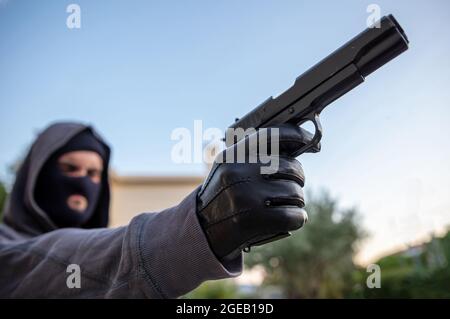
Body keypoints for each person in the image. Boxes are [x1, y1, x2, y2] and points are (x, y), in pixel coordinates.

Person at [0, 121, 310, 298]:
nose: (83, 183)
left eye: (94, 174)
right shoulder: (8, 251)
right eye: (70, 168)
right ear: (35, 177)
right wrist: (201, 224)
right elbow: (61, 260)